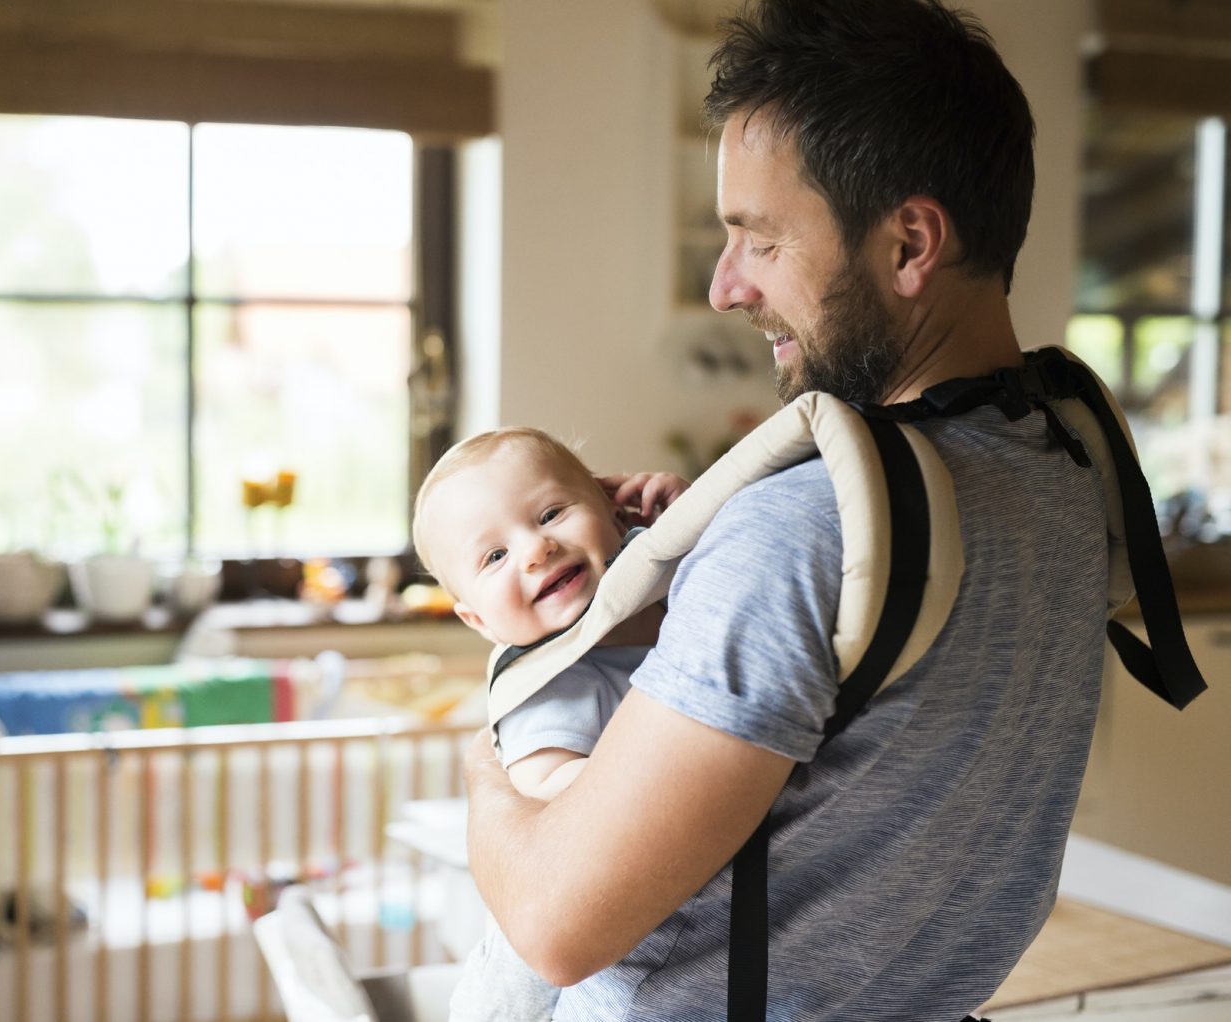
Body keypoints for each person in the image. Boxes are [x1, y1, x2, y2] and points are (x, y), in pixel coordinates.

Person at [460, 1, 1110, 1019]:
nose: (725, 287)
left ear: (910, 242)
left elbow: (554, 923)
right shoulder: (1068, 473)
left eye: (758, 241)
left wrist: (488, 760)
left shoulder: (802, 529)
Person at [410, 427, 688, 1022]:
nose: (536, 549)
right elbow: (546, 789)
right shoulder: (547, 681)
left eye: (551, 513)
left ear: (614, 510)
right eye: (494, 557)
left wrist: (685, 511)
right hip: (531, 973)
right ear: (478, 620)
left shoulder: (668, 577)